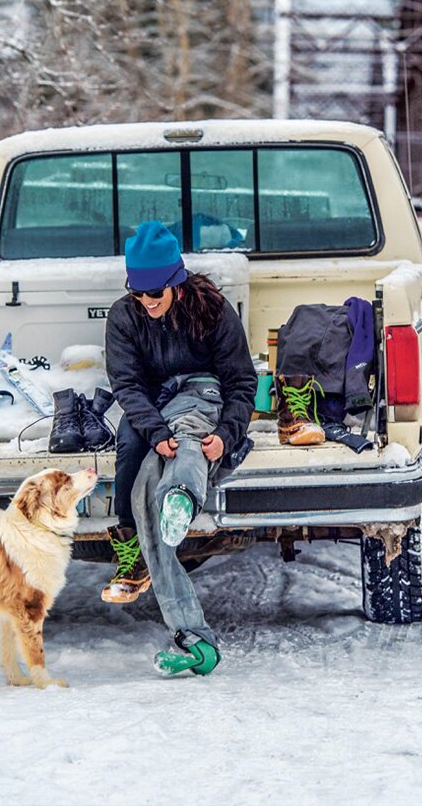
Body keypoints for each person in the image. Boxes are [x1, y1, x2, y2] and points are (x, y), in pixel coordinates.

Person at [103, 220, 257, 673]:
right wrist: (154, 433)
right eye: (140, 294)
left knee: (191, 437)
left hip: (201, 394)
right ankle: (136, 542)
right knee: (133, 459)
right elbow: (126, 384)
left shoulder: (213, 311)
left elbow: (241, 381)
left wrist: (228, 435)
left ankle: (180, 497)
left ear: (177, 283)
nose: (148, 302)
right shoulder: (124, 315)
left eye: (156, 293)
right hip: (150, 404)